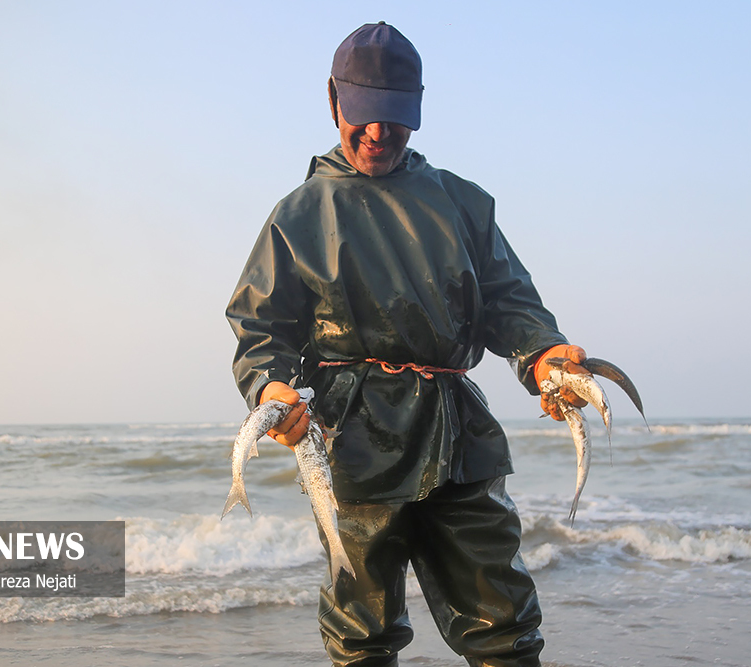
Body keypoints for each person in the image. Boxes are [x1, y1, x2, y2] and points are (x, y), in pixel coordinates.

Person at [226, 22, 589, 667]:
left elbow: (511, 304)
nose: (376, 133)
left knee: (504, 622)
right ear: (334, 102)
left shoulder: (463, 204)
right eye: (363, 115)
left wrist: (544, 357)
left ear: (417, 111)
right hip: (352, 438)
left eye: (394, 118)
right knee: (362, 633)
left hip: (460, 436)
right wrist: (271, 388)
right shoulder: (300, 215)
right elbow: (261, 331)